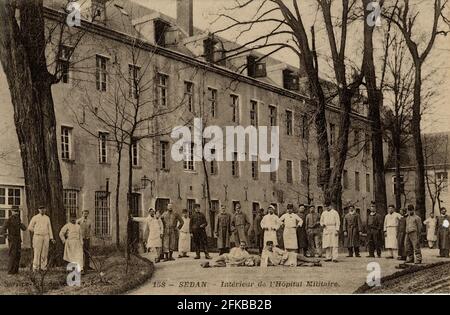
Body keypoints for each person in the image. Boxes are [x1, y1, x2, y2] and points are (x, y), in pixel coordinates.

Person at [28, 206, 55, 271]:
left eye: (43, 209)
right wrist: (36, 230)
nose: (42, 210)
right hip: (38, 236)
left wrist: (51, 238)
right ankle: (35, 267)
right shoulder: (35, 217)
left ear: (45, 210)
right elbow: (30, 227)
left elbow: (49, 228)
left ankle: (43, 267)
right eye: (41, 209)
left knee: (45, 252)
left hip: (46, 236)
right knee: (37, 252)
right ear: (38, 210)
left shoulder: (47, 218)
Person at [2, 206, 27, 274]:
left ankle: (16, 271)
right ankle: (10, 271)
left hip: (18, 240)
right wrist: (5, 235)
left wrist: (23, 225)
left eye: (17, 211)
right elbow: (3, 228)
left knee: (18, 255)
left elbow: (23, 228)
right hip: (12, 240)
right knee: (12, 255)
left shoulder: (18, 219)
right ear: (12, 211)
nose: (16, 213)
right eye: (15, 211)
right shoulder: (9, 219)